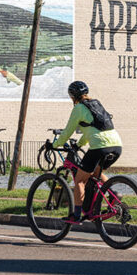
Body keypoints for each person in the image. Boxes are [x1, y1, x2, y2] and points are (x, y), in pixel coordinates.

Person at [47, 80, 122, 223]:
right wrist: (78, 145)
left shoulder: (79, 108)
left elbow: (67, 132)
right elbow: (92, 131)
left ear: (72, 96)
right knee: (95, 173)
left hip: (100, 147)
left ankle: (76, 215)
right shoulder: (97, 104)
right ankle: (114, 195)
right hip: (117, 145)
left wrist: (54, 144)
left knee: (80, 180)